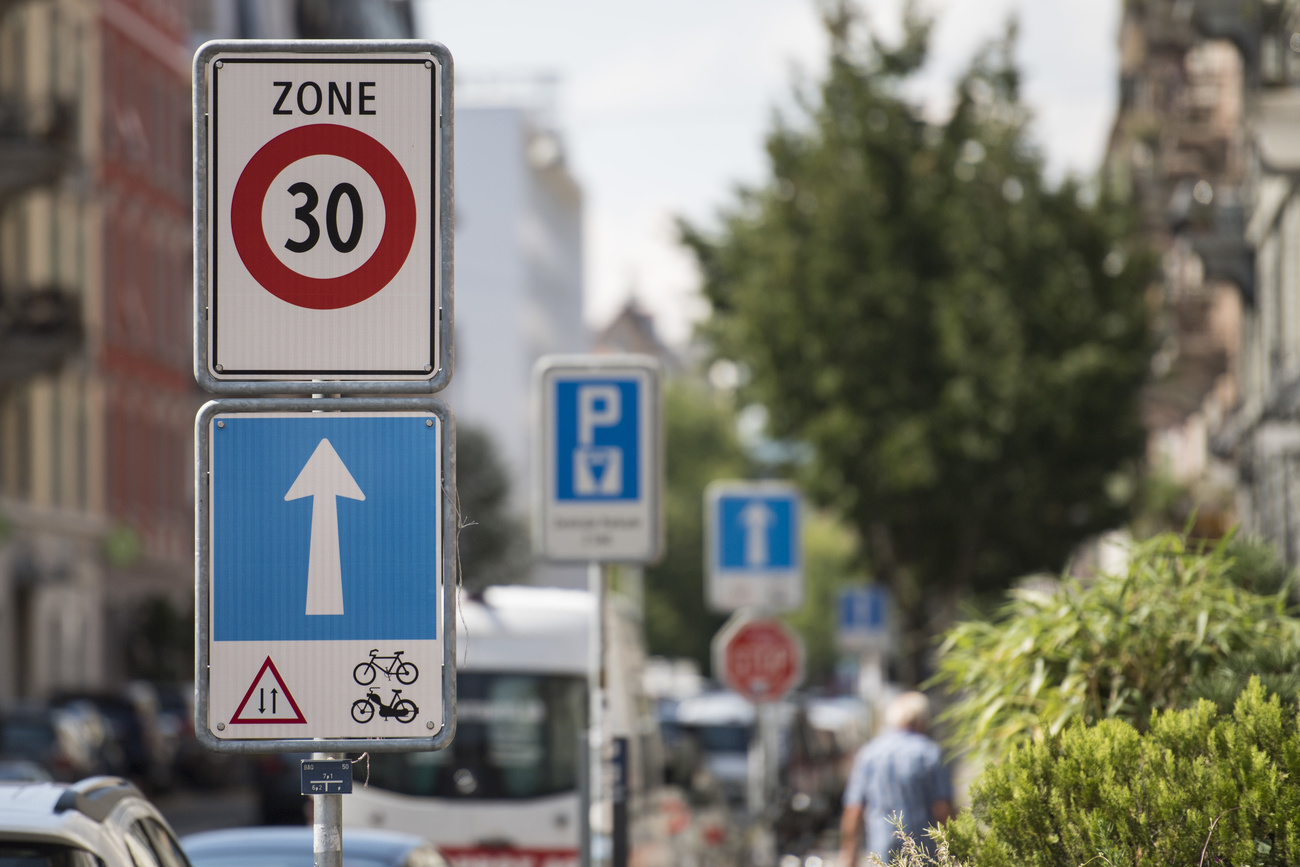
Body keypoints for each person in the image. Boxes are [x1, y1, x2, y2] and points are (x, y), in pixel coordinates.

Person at [837, 691, 953, 865]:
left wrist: (849, 853)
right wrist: (953, 848)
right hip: (921, 851)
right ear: (922, 720)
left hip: (882, 848)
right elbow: (942, 807)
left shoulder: (869, 753)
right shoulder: (929, 753)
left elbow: (854, 809)